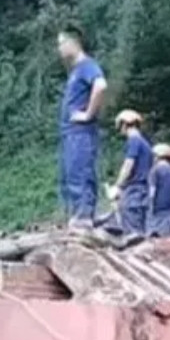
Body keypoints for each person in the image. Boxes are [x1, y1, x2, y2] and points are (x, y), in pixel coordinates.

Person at [57, 26, 108, 232]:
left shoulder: (87, 65)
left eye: (60, 43)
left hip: (80, 132)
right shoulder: (75, 71)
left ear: (72, 42)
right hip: (71, 134)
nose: (59, 49)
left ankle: (84, 216)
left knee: (81, 171)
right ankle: (78, 215)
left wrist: (87, 114)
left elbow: (101, 85)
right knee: (71, 173)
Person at [107, 109, 152, 237]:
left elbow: (128, 165)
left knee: (133, 234)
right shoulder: (146, 144)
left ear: (124, 124)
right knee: (142, 230)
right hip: (144, 190)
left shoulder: (134, 140)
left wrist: (118, 186)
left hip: (134, 191)